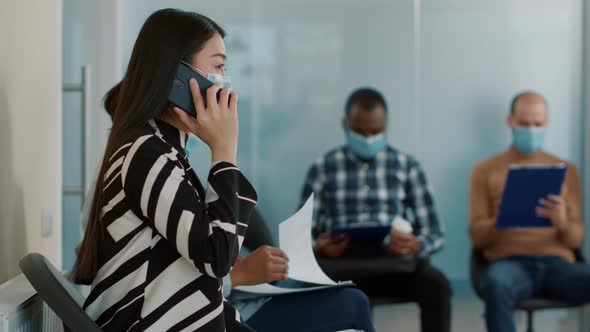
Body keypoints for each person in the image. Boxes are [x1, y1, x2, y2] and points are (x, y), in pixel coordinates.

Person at [76, 9, 376, 332]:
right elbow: (216, 256)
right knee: (351, 308)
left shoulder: (160, 149)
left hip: (189, 319)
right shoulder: (145, 153)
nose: (226, 83)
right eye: (218, 67)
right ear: (177, 77)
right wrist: (224, 150)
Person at [301, 87, 451, 332]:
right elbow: (301, 237)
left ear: (386, 125)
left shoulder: (407, 166)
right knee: (308, 291)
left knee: (437, 285)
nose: (368, 138)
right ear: (345, 124)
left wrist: (415, 245)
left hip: (393, 265)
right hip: (342, 268)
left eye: (376, 131)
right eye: (360, 132)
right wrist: (319, 246)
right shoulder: (323, 168)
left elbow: (436, 232)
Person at [469, 91, 590, 332]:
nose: (532, 130)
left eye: (538, 124)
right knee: (496, 283)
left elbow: (577, 239)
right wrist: (501, 220)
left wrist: (563, 222)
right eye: (524, 124)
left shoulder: (567, 171)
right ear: (510, 121)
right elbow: (478, 237)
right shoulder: (485, 171)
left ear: (547, 123)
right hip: (509, 263)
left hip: (558, 265)